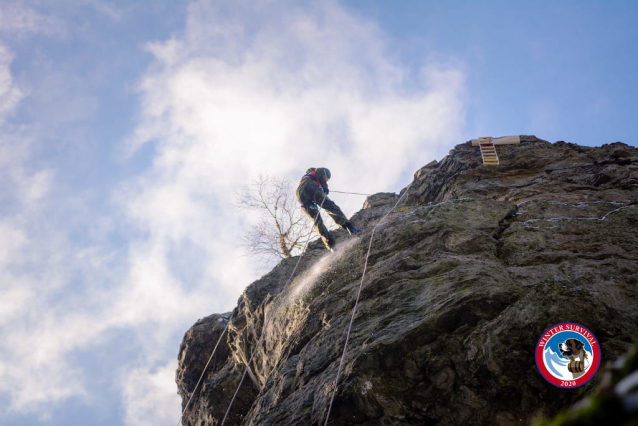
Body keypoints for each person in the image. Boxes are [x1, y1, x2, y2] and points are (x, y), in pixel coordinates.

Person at [296, 167, 361, 251]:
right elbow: (320, 173)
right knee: (331, 207)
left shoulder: (307, 176)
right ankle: (350, 227)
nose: (326, 180)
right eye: (326, 179)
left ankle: (331, 245)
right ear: (326, 174)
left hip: (301, 197)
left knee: (317, 221)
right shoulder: (318, 171)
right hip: (310, 188)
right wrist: (325, 188)